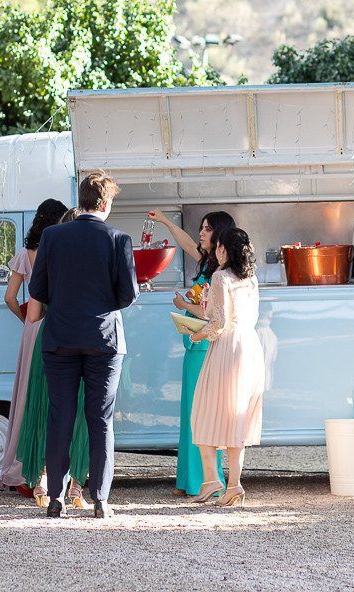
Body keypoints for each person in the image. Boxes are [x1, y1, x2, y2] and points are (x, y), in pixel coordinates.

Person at [29, 170, 139, 519]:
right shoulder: (118, 239)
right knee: (101, 420)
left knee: (60, 417)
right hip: (104, 340)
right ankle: (101, 499)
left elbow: (37, 292)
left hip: (59, 337)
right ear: (106, 204)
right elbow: (128, 295)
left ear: (81, 201)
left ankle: (56, 499)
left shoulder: (51, 236)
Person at [149, 209, 233, 497]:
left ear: (220, 234)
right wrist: (164, 221)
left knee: (201, 413)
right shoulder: (208, 263)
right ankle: (188, 479)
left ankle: (204, 480)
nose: (201, 233)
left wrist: (184, 306)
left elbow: (214, 315)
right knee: (190, 412)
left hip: (206, 345)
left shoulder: (222, 271)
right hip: (194, 344)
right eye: (202, 227)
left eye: (208, 229)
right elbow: (186, 243)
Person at [189, 226, 265, 508]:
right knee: (236, 419)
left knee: (203, 411)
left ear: (224, 248)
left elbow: (218, 323)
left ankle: (219, 481)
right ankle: (228, 484)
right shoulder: (250, 278)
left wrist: (195, 334)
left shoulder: (220, 277)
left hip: (227, 349)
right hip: (249, 345)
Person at [0, 198, 67, 497]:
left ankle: (22, 469)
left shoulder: (25, 253)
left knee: (27, 396)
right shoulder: (63, 250)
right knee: (54, 398)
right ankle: (52, 472)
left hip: (33, 326)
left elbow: (10, 297)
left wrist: (26, 318)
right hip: (59, 324)